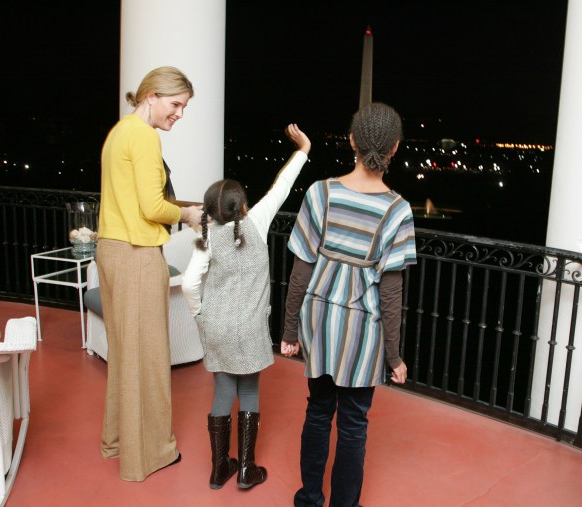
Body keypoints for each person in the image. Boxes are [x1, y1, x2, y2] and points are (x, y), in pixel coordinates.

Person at [280, 103, 417, 507]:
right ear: (393, 149)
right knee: (354, 424)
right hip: (363, 331)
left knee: (318, 412)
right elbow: (391, 294)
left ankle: (308, 499)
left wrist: (290, 331)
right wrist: (394, 356)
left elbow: (300, 273)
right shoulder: (398, 210)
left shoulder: (319, 193)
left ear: (353, 141)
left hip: (319, 321)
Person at [181, 124, 311, 491]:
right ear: (243, 206)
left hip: (217, 327)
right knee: (249, 393)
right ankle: (246, 470)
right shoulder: (257, 221)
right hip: (251, 328)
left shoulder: (206, 238)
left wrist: (200, 315)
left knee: (222, 393)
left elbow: (191, 284)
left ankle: (218, 468)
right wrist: (303, 149)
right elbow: (282, 186)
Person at [96, 66, 203, 482]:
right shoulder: (143, 135)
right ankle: (150, 454)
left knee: (125, 354)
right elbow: (151, 207)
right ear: (153, 96)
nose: (179, 114)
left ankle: (117, 441)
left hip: (111, 250)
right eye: (176, 105)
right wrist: (188, 214)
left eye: (184, 108)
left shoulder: (118, 132)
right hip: (137, 255)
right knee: (149, 359)